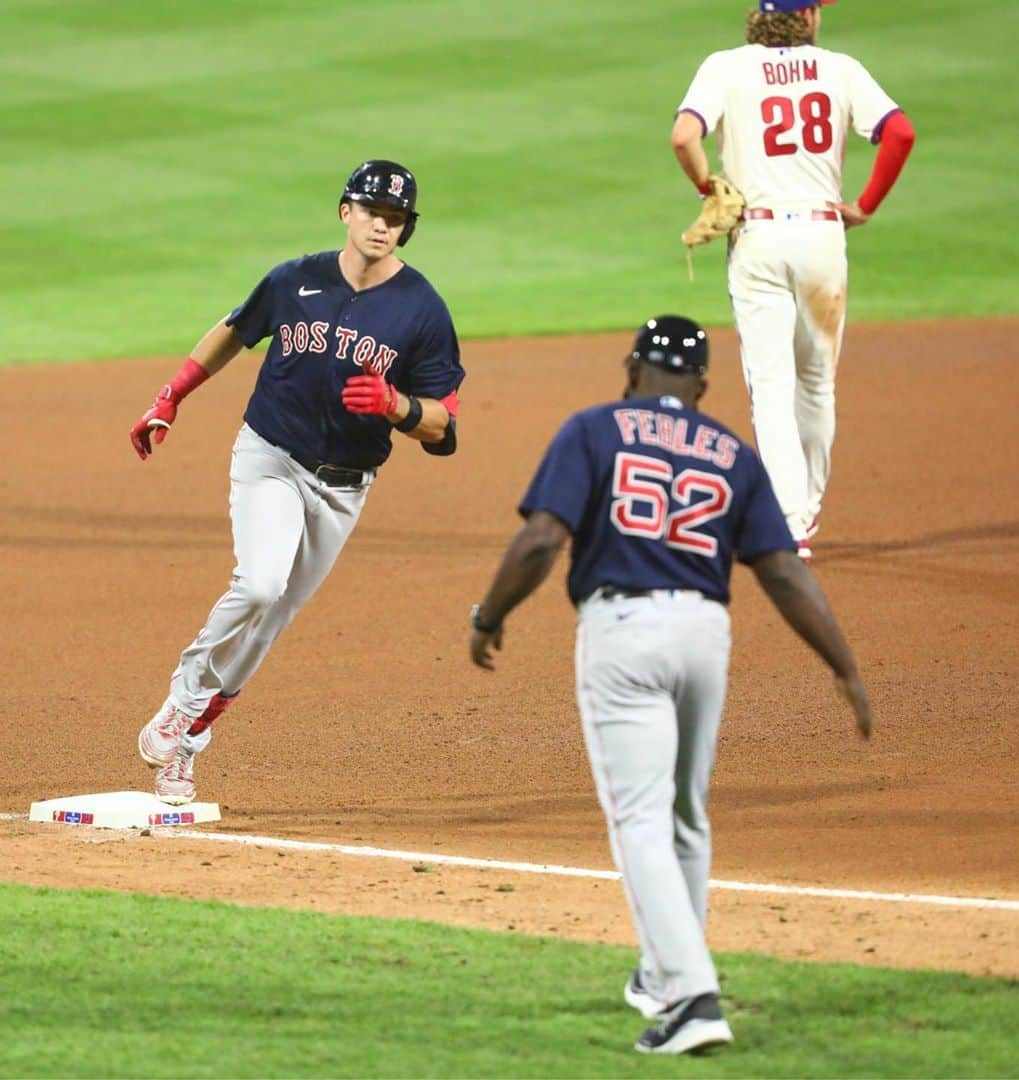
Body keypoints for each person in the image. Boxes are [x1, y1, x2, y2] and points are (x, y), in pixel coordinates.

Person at [467, 315, 871, 1055]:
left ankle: (692, 998)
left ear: (631, 368)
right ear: (703, 385)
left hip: (625, 634)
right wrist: (843, 665)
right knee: (685, 814)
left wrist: (489, 616)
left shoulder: (593, 429)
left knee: (641, 821)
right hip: (705, 638)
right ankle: (662, 976)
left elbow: (541, 540)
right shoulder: (734, 455)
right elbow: (782, 570)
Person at [129, 159, 464, 805]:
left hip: (345, 486)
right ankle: (183, 697)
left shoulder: (423, 310)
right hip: (271, 456)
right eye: (372, 212)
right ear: (347, 211)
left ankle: (189, 745)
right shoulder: (295, 280)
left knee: (272, 619)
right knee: (259, 584)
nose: (382, 227)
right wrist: (170, 396)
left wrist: (398, 408)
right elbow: (234, 331)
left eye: (396, 219)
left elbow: (444, 427)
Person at [672, 0, 916, 558]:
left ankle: (788, 525)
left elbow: (685, 136)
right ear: (806, 17)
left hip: (757, 240)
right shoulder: (840, 68)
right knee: (817, 384)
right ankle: (806, 510)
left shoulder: (724, 66)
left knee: (772, 387)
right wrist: (867, 205)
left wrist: (708, 186)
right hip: (823, 238)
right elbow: (900, 133)